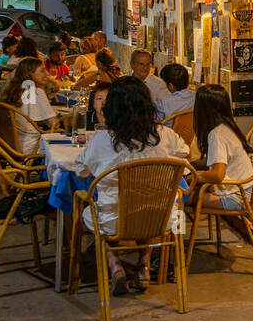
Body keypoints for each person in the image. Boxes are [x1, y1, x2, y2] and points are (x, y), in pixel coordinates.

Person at [73, 76, 188, 295]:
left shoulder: (102, 141)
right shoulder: (166, 136)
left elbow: (81, 171)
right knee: (147, 204)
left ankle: (115, 264)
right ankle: (144, 267)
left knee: (97, 210)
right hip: (159, 220)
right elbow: (184, 153)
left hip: (114, 222)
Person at [188, 83, 253, 214]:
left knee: (177, 196)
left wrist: (193, 178)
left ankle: (176, 231)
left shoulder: (216, 135)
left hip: (235, 197)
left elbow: (217, 175)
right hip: (240, 191)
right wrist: (193, 165)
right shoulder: (227, 126)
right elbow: (220, 160)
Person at [0, 58, 57, 156]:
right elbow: (54, 124)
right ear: (30, 74)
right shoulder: (35, 91)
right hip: (32, 148)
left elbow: (28, 117)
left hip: (9, 146)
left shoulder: (13, 91)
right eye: (42, 70)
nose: (47, 74)